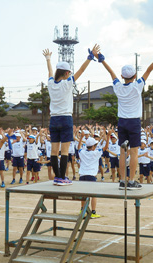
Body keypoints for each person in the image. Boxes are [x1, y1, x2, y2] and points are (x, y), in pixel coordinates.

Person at [93, 47, 153, 190]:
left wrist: (102, 59)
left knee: (123, 152)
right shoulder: (138, 86)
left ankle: (122, 180)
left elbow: (111, 73)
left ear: (122, 77)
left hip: (121, 121)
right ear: (134, 76)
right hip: (134, 121)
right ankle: (132, 180)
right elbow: (148, 70)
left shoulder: (118, 87)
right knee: (133, 152)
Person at [42, 44, 100, 186]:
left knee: (54, 151)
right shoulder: (67, 83)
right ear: (67, 73)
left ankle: (57, 177)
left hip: (54, 119)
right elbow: (81, 70)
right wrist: (90, 57)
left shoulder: (51, 83)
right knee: (65, 151)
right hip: (66, 118)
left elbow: (50, 73)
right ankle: (63, 177)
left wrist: (48, 59)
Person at [78, 129, 110, 218]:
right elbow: (106, 147)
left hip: (82, 175)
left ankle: (82, 210)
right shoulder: (96, 153)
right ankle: (93, 212)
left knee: (83, 195)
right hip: (91, 176)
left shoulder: (82, 152)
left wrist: (81, 138)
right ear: (93, 146)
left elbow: (78, 148)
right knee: (93, 195)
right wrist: (108, 137)